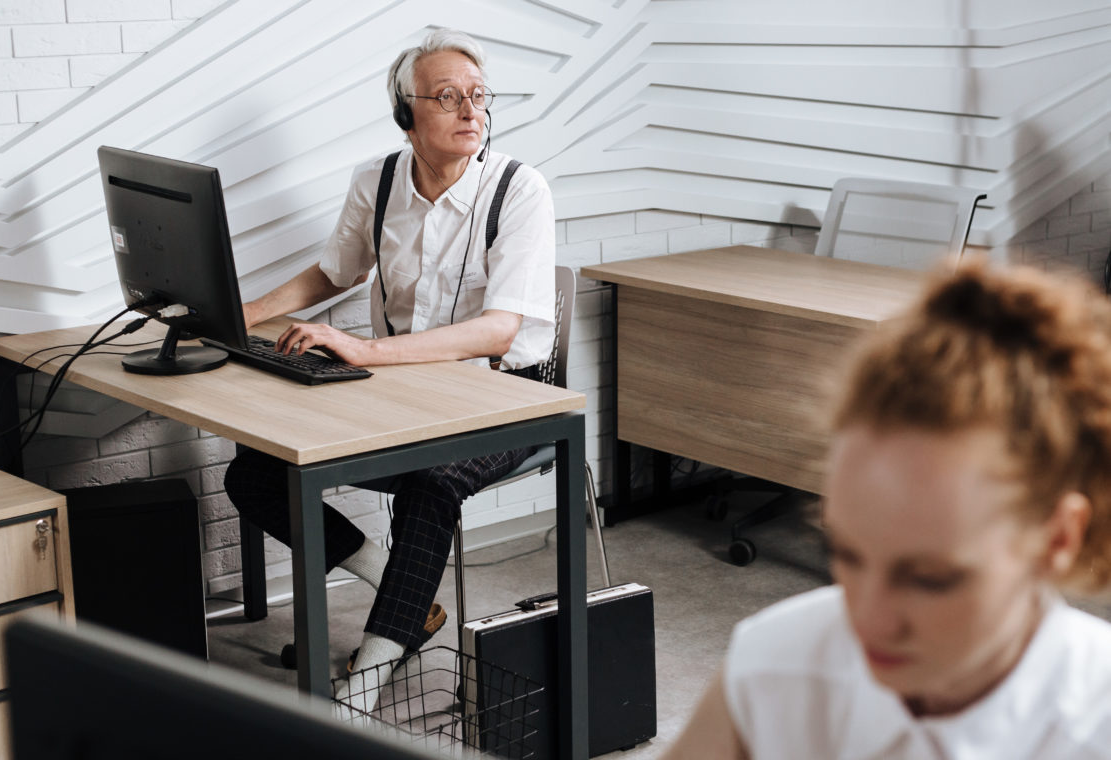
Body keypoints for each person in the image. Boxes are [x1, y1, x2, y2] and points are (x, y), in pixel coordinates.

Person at [223, 28, 555, 710]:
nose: (472, 112)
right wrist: (244, 311)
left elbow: (500, 329)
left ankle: (365, 685)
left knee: (433, 483)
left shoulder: (520, 190)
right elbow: (332, 272)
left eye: (479, 97)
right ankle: (402, 590)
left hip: (508, 394)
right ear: (407, 114)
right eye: (448, 97)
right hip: (405, 389)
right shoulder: (375, 181)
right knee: (255, 471)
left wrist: (364, 352)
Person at [663, 260, 1111, 759]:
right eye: (847, 554)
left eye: (929, 578)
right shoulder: (775, 669)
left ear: (1057, 540)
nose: (868, 621)